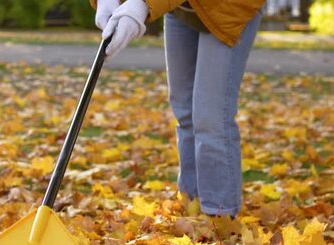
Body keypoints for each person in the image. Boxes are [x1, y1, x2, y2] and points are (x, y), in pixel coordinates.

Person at [91, 0, 266, 217]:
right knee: (184, 110)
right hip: (180, 8)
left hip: (227, 8)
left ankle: (220, 217)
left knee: (210, 116)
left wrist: (141, 4)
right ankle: (191, 205)